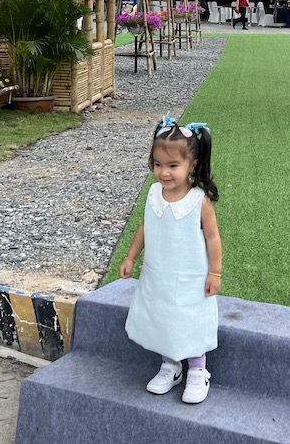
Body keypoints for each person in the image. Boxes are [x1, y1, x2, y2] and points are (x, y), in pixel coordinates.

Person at [120, 116, 222, 404]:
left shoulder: (199, 200)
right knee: (162, 318)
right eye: (158, 164)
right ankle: (170, 365)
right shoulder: (154, 193)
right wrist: (130, 257)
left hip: (190, 278)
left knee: (189, 320)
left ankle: (198, 370)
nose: (164, 172)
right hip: (159, 275)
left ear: (193, 164)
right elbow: (146, 227)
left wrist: (215, 272)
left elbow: (213, 238)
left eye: (173, 166)